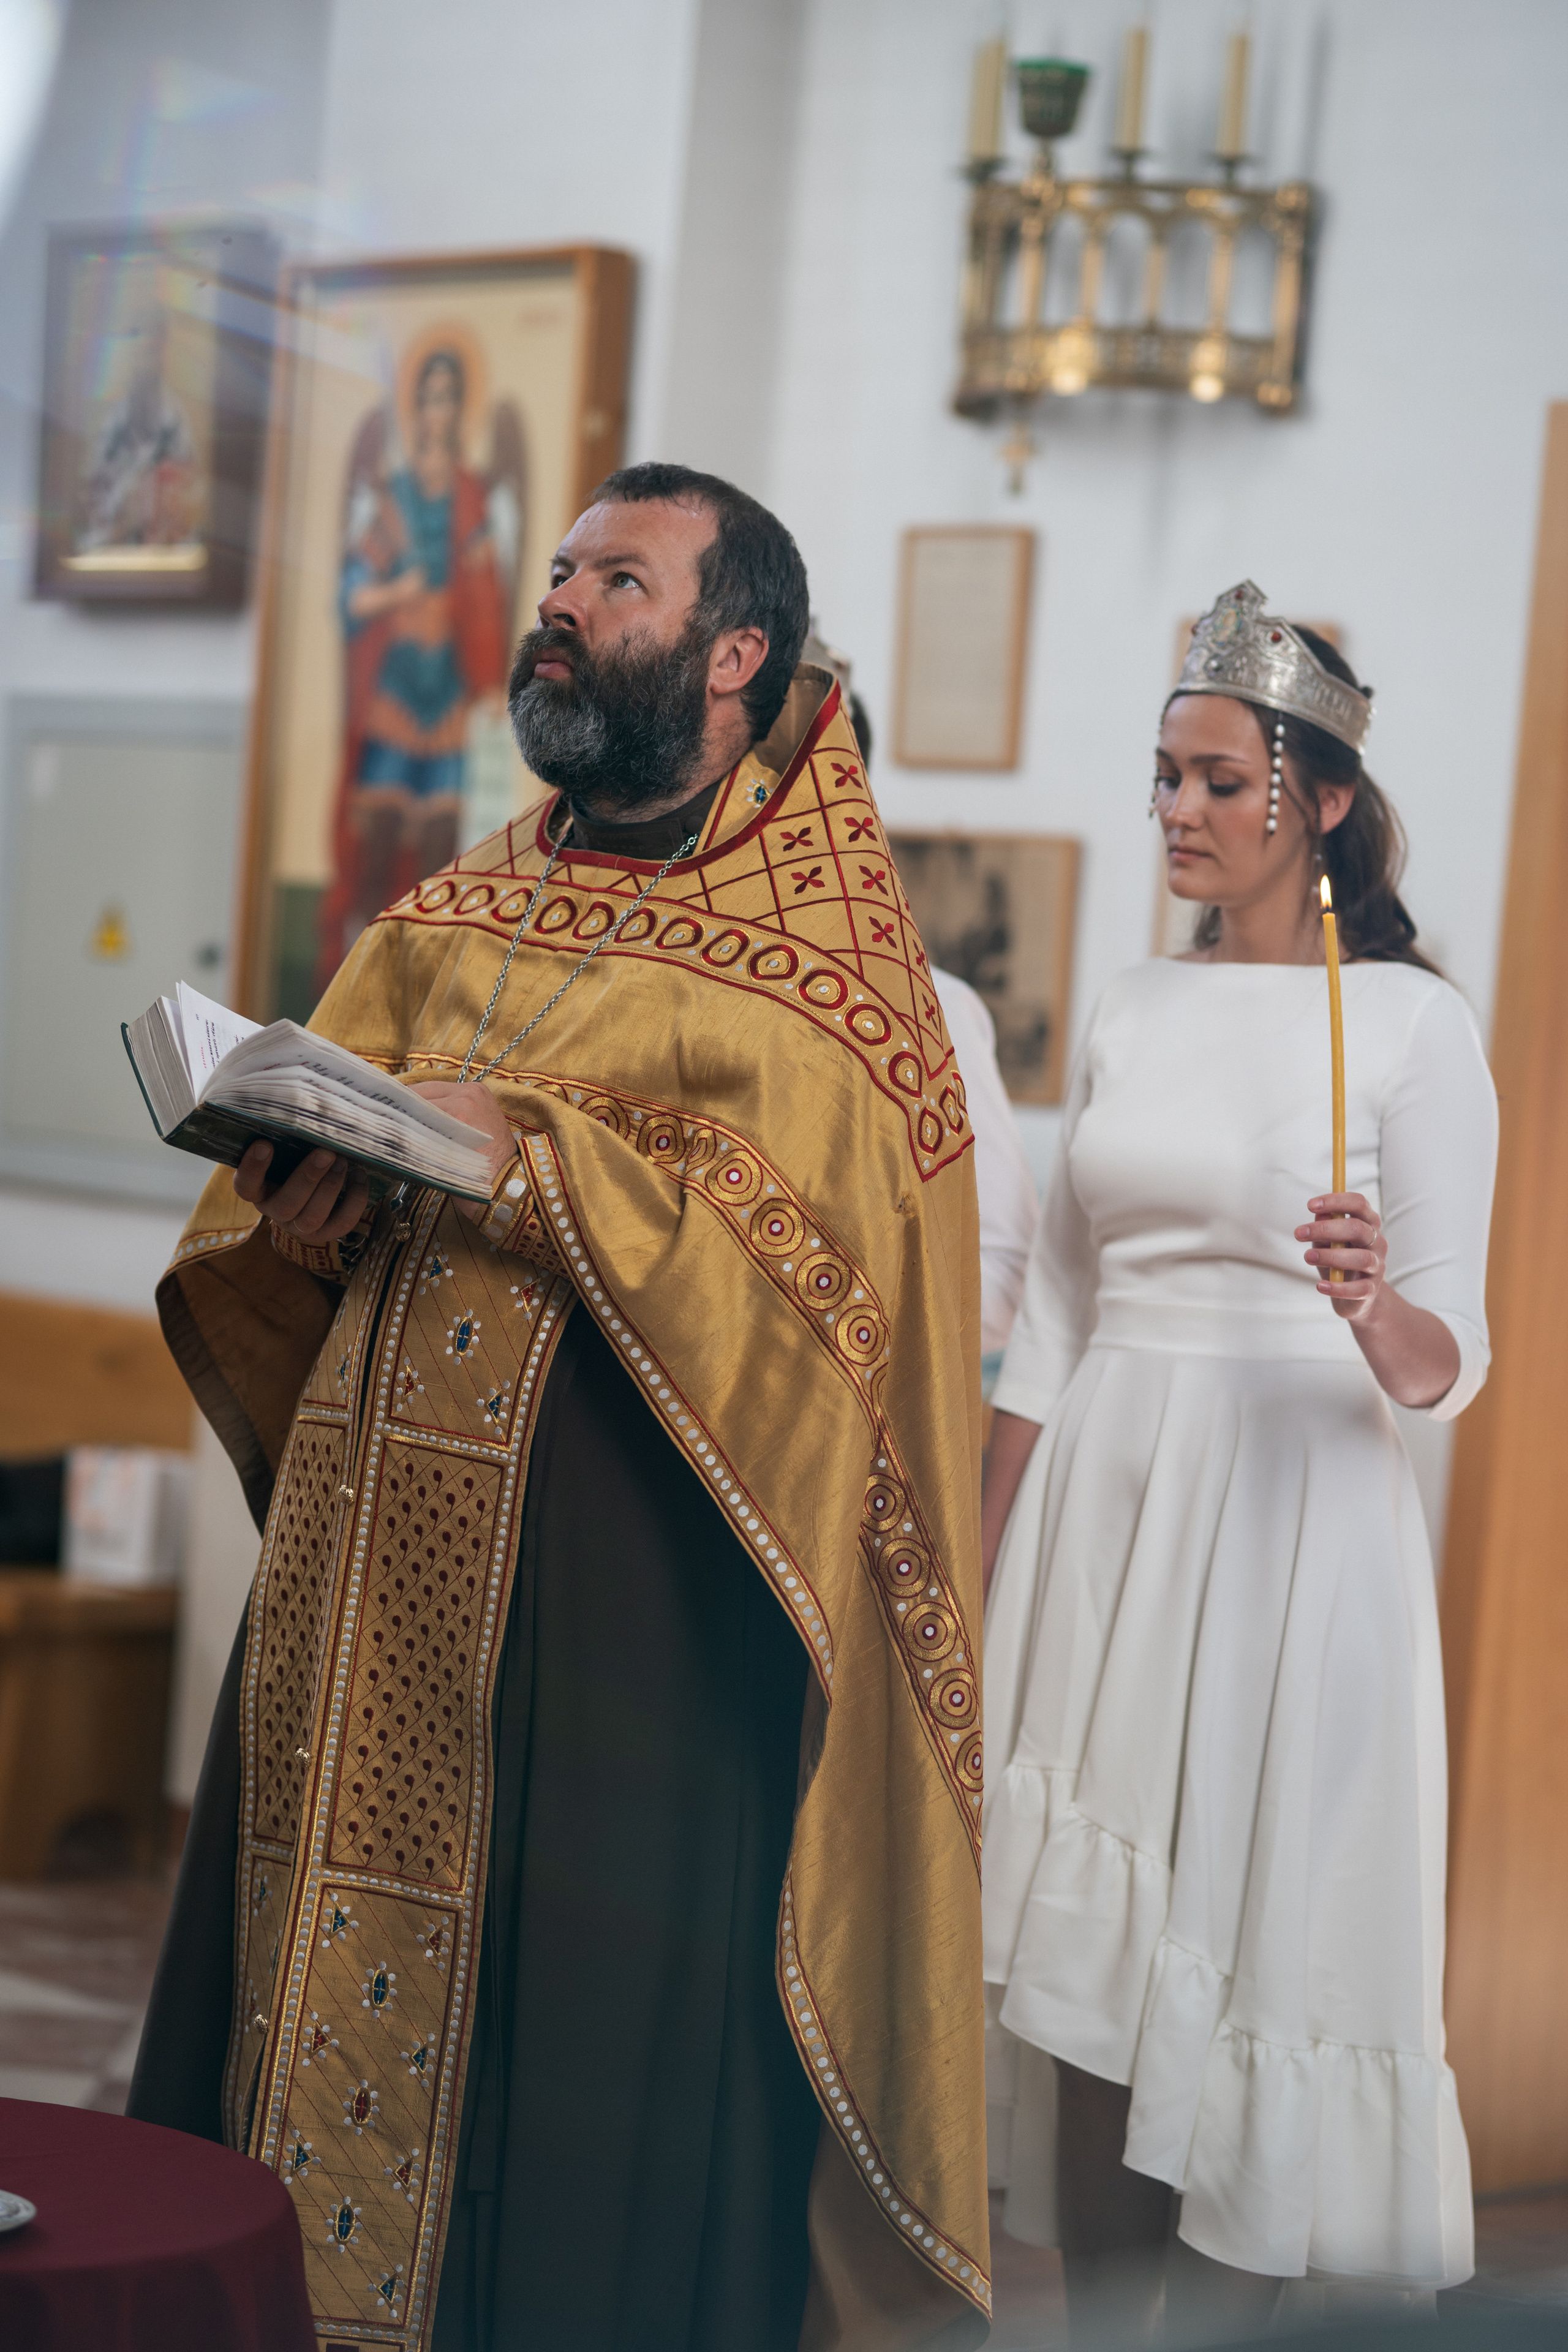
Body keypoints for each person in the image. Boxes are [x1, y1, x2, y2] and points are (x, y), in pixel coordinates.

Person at [129, 464, 990, 2352]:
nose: (566, 600)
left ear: (734, 649)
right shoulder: (454, 908)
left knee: (570, 2028)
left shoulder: (832, 977)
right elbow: (318, 1129)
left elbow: (831, 1295)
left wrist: (554, 1167)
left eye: (621, 575)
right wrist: (305, 1191)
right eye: (567, 568)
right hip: (371, 1582)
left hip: (626, 1589)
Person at [980, 582, 1496, 2342]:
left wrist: (1368, 1307)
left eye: (1218, 781)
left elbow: (1450, 1359)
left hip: (1294, 1517)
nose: (1179, 814)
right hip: (1105, 1499)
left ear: (1323, 801)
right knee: (1082, 1968)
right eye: (1164, 779)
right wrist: (977, 1569)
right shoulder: (1129, 1004)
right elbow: (1049, 1315)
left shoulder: (1417, 1028)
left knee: (1248, 1922)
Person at [317, 348, 517, 986]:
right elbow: (352, 595)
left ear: (460, 409)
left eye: (448, 397)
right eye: (428, 398)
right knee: (376, 839)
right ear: (416, 408)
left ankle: (420, 984)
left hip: (449, 696)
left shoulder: (470, 497)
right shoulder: (392, 498)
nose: (439, 411)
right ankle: (362, 979)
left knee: (440, 849)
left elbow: (486, 594)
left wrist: (490, 684)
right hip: (396, 690)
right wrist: (399, 593)